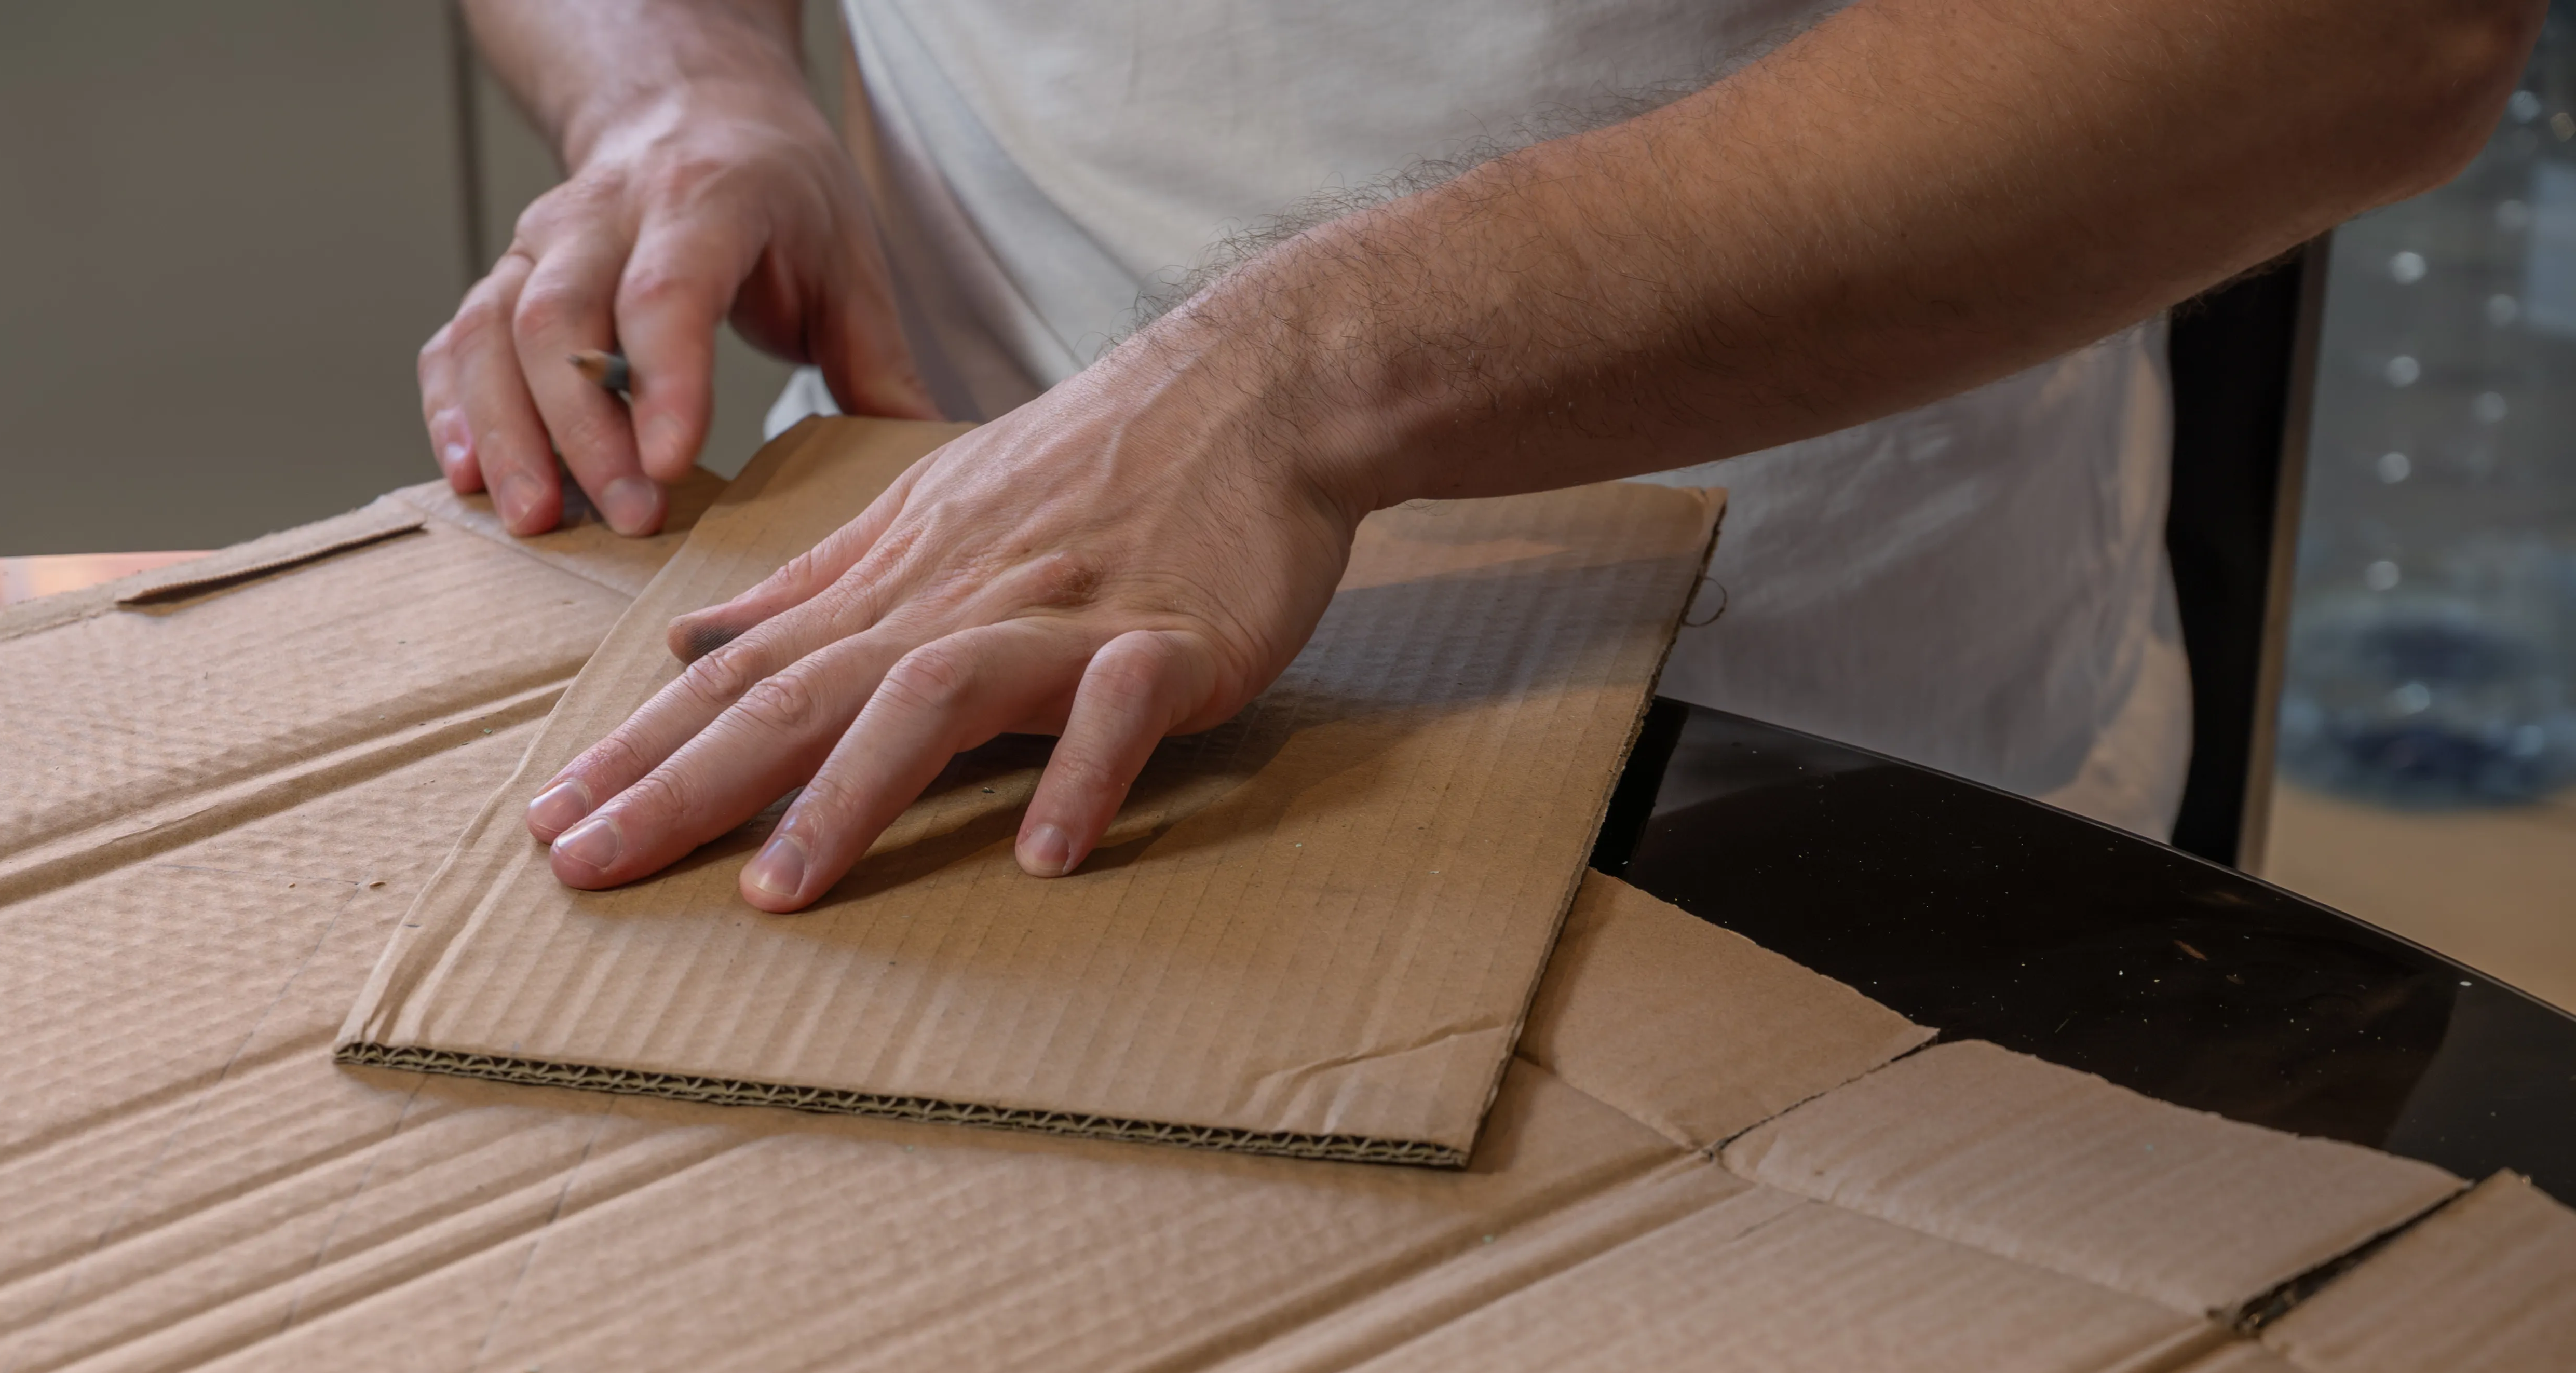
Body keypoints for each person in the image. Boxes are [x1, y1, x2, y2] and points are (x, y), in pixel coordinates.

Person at [422, 0, 2536, 913]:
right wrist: (677, 89)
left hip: (1796, 789)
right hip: (918, 694)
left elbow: (2366, 37)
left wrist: (1287, 378)